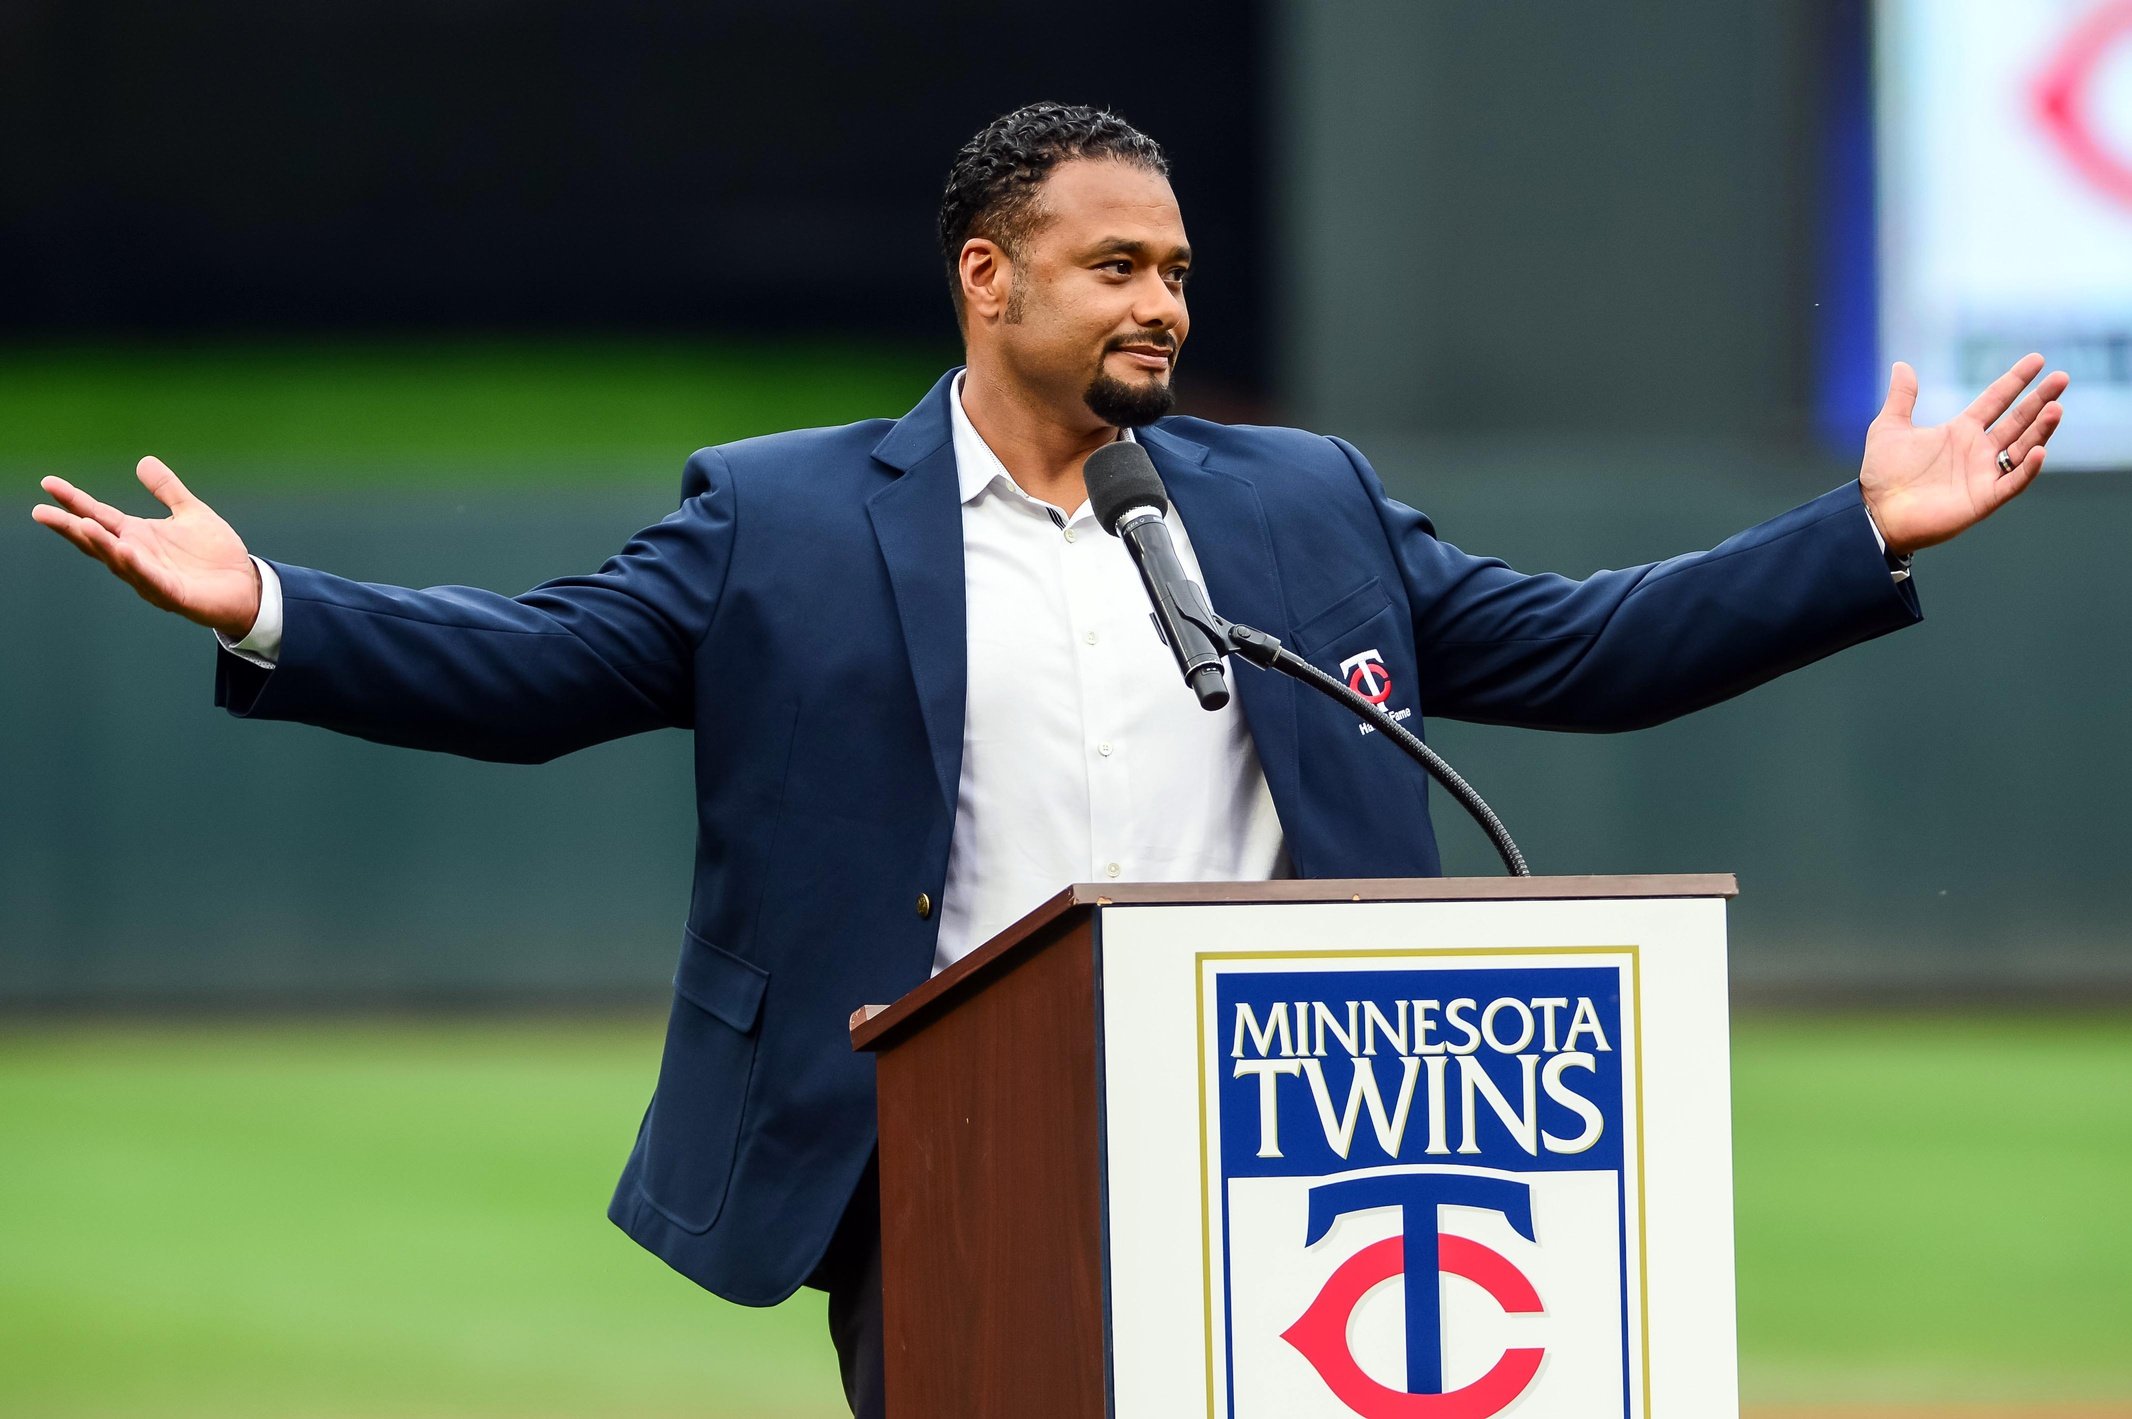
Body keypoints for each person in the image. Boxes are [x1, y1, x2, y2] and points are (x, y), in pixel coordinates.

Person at [29, 102, 2067, 1417]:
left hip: (1297, 1140)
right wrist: (269, 603)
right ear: (985, 279)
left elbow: (1589, 646)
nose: (1162, 299)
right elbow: (543, 665)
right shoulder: (784, 516)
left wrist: (1860, 529)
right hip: (944, 1155)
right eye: (1117, 265)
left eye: (1176, 265)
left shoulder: (1301, 505)